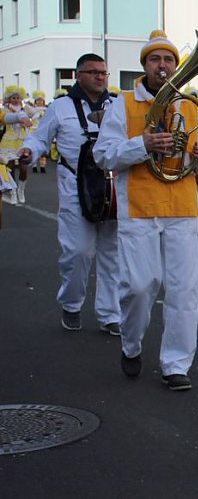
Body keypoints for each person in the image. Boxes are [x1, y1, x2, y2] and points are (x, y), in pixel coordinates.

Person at [93, 30, 198, 391]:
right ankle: (131, 343)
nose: (163, 65)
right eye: (155, 59)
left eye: (168, 59)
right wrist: (144, 144)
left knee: (184, 291)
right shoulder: (122, 104)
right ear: (145, 66)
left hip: (182, 207)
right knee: (140, 286)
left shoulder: (188, 105)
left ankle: (176, 364)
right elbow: (103, 155)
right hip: (139, 207)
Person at [18, 53, 121, 334]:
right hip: (75, 184)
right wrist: (29, 151)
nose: (100, 76)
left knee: (112, 253)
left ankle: (110, 313)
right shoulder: (60, 107)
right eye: (94, 72)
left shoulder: (117, 104)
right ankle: (72, 304)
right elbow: (40, 137)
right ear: (79, 75)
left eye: (104, 72)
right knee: (77, 251)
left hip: (111, 185)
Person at [1, 86, 33, 205]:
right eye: (13, 97)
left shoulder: (25, 109)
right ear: (9, 99)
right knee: (10, 168)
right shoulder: (4, 110)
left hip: (23, 141)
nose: (15, 100)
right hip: (9, 141)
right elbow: (7, 119)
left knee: (23, 167)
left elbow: (38, 112)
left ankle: (21, 190)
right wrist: (22, 117)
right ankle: (12, 192)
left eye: (17, 97)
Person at [26, 92, 49, 173]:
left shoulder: (47, 109)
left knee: (42, 149)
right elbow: (29, 116)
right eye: (38, 100)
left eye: (41, 100)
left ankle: (42, 166)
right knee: (34, 149)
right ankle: (34, 165)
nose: (40, 102)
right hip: (34, 129)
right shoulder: (33, 110)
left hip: (43, 130)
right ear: (35, 101)